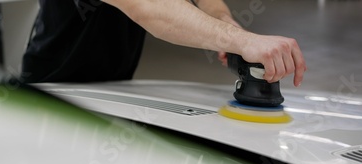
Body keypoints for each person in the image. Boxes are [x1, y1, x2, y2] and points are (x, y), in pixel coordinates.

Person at [22, 0, 306, 87]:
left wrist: (225, 23)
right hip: (53, 89)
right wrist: (242, 40)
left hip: (116, 89)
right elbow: (148, 7)